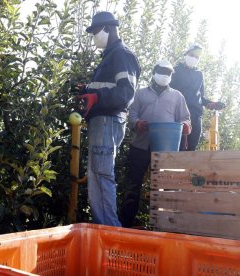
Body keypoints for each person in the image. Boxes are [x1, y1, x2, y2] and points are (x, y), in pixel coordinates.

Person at [78, 11, 141, 226]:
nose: (94, 35)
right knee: (97, 177)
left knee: (102, 176)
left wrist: (96, 97)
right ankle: (104, 233)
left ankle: (111, 236)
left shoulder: (121, 55)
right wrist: (87, 90)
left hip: (107, 122)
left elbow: (126, 93)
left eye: (95, 31)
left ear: (107, 28)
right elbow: (108, 89)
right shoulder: (110, 56)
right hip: (102, 122)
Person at [118, 60, 191, 228]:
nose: (165, 75)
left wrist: (187, 126)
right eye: (162, 71)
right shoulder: (141, 93)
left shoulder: (177, 96)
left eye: (169, 73)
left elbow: (185, 118)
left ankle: (165, 226)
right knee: (133, 185)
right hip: (141, 145)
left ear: (172, 76)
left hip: (166, 150)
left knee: (166, 187)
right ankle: (126, 224)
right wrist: (137, 123)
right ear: (154, 72)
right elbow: (132, 114)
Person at [170, 43, 225, 151]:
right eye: (192, 55)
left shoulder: (199, 74)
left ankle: (190, 168)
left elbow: (201, 97)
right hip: (178, 114)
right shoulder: (175, 70)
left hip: (195, 114)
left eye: (197, 57)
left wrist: (212, 104)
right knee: (178, 147)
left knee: (192, 147)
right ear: (186, 54)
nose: (194, 58)